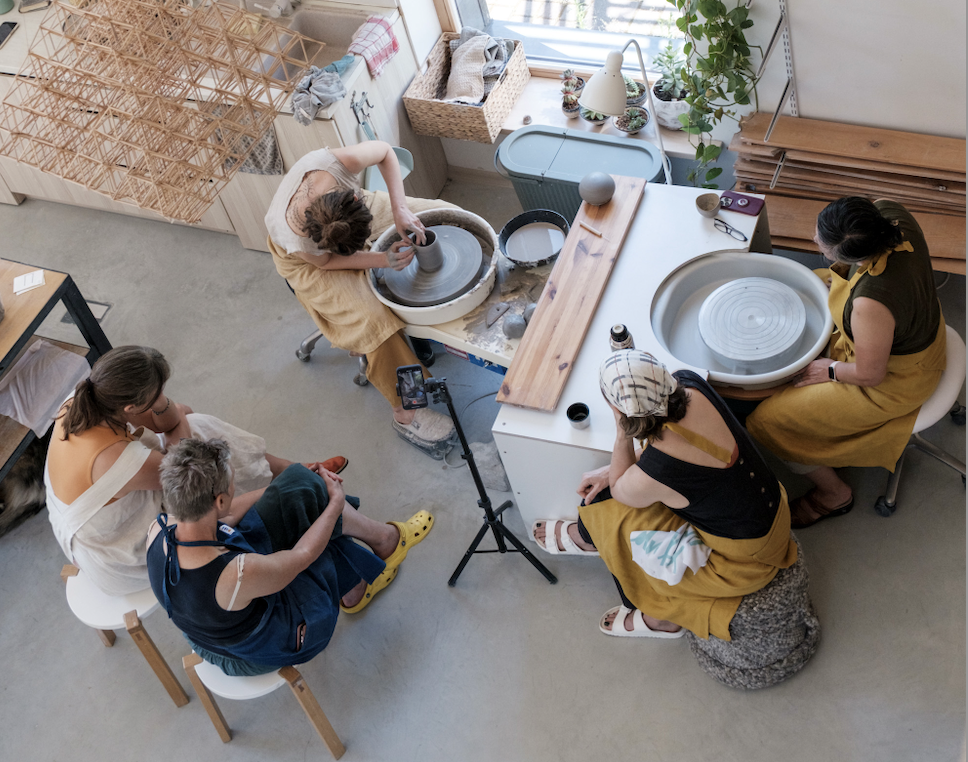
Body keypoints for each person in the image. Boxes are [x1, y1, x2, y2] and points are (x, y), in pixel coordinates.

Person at [532, 351, 819, 688]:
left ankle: (660, 618)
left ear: (623, 412)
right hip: (770, 509)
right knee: (616, 497)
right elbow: (670, 444)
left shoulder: (660, 469)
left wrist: (621, 433)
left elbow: (626, 490)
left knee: (619, 522)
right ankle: (588, 538)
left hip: (744, 560)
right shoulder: (689, 384)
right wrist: (612, 469)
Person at [45, 345, 346, 596]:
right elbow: (187, 465)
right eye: (156, 393)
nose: (162, 396)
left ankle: (286, 472)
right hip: (119, 550)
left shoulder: (86, 397)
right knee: (208, 455)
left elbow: (172, 420)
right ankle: (291, 482)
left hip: (101, 513)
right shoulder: (112, 459)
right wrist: (171, 414)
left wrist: (168, 413)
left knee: (197, 425)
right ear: (130, 407)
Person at [147, 438, 433, 675]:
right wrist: (334, 503)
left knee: (299, 486)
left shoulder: (161, 528)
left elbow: (229, 516)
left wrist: (292, 479)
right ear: (219, 499)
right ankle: (360, 582)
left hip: (219, 615)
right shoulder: (235, 574)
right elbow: (303, 554)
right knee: (324, 537)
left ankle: (382, 542)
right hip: (257, 648)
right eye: (231, 484)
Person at [746, 197, 947, 528]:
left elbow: (870, 374)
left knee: (767, 421)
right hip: (921, 327)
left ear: (859, 256)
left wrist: (827, 370)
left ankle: (834, 495)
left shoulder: (871, 304)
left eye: (825, 249)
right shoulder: (892, 215)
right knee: (813, 281)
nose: (815, 242)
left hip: (894, 380)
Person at [264, 140, 458, 459]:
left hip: (345, 218)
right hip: (310, 262)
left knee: (446, 214)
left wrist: (399, 209)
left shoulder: (337, 165)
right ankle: (407, 410)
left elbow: (384, 152)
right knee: (376, 327)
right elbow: (325, 262)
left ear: (353, 196)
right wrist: (381, 260)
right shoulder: (295, 236)